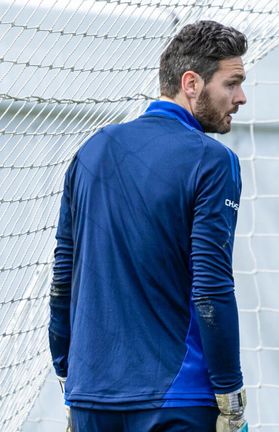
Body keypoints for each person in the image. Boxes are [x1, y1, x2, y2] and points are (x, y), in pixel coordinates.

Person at [49, 20, 249, 431]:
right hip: (176, 401)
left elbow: (62, 279)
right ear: (191, 83)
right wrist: (231, 396)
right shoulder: (212, 161)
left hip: (91, 399)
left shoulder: (91, 150)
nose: (241, 97)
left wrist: (69, 377)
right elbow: (210, 287)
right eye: (232, 83)